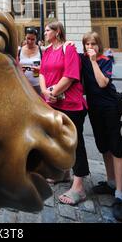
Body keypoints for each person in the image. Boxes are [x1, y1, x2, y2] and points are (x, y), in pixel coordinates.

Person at [39, 21, 89, 205]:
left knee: (75, 143)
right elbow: (42, 73)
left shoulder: (69, 49)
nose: (44, 33)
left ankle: (79, 187)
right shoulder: (48, 51)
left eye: (47, 30)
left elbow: (70, 76)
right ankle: (63, 173)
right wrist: (45, 92)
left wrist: (53, 92)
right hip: (52, 102)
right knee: (58, 140)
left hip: (71, 104)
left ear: (57, 31)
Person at [80, 32, 122, 222]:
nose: (90, 47)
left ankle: (120, 195)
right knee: (104, 147)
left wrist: (93, 61)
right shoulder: (82, 59)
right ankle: (110, 182)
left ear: (99, 45)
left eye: (93, 44)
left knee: (117, 149)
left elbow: (102, 83)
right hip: (95, 109)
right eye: (87, 44)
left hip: (111, 108)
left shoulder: (105, 60)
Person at [18, 28, 43, 95]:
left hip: (37, 84)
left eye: (33, 39)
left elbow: (46, 66)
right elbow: (14, 65)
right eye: (28, 38)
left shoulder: (41, 50)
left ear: (36, 39)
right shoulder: (19, 50)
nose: (30, 41)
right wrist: (19, 69)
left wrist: (40, 69)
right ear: (25, 37)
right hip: (23, 84)